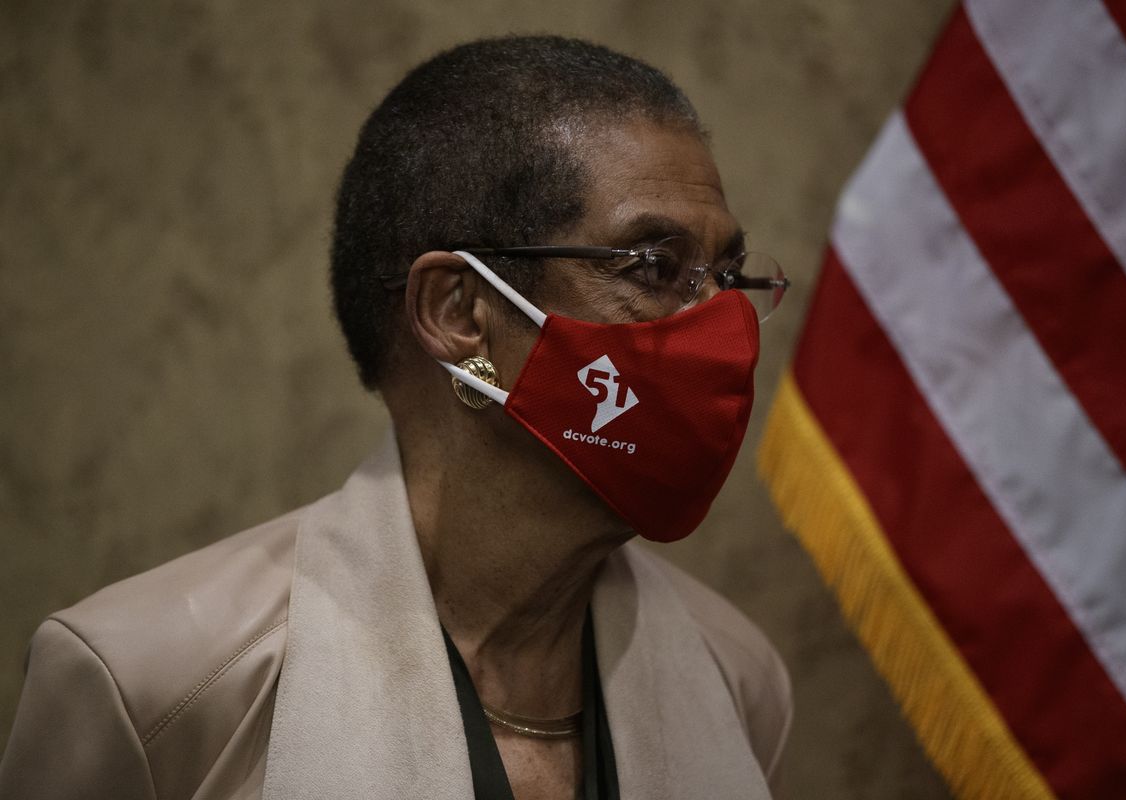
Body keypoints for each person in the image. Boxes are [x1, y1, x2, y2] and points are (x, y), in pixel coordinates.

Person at [0, 35, 793, 800]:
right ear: (461, 313)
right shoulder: (157, 687)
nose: (723, 327)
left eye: (728, 275)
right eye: (653, 267)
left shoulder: (739, 679)